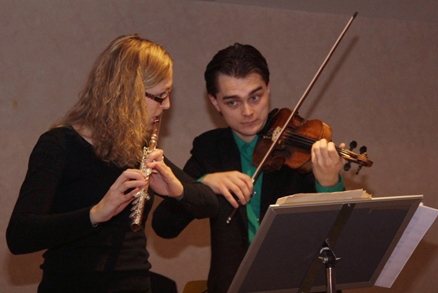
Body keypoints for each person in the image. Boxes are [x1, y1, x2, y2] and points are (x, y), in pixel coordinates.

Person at [6, 34, 218, 293]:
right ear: (129, 94)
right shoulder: (59, 145)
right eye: (161, 96)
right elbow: (19, 235)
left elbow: (209, 202)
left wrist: (177, 190)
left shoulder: (138, 149)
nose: (167, 105)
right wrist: (95, 214)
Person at [152, 43, 345, 293]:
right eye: (232, 102)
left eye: (256, 97)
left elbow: (337, 238)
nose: (248, 112)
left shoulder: (298, 148)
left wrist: (329, 184)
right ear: (215, 102)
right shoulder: (209, 150)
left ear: (268, 88)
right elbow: (165, 227)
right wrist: (201, 185)